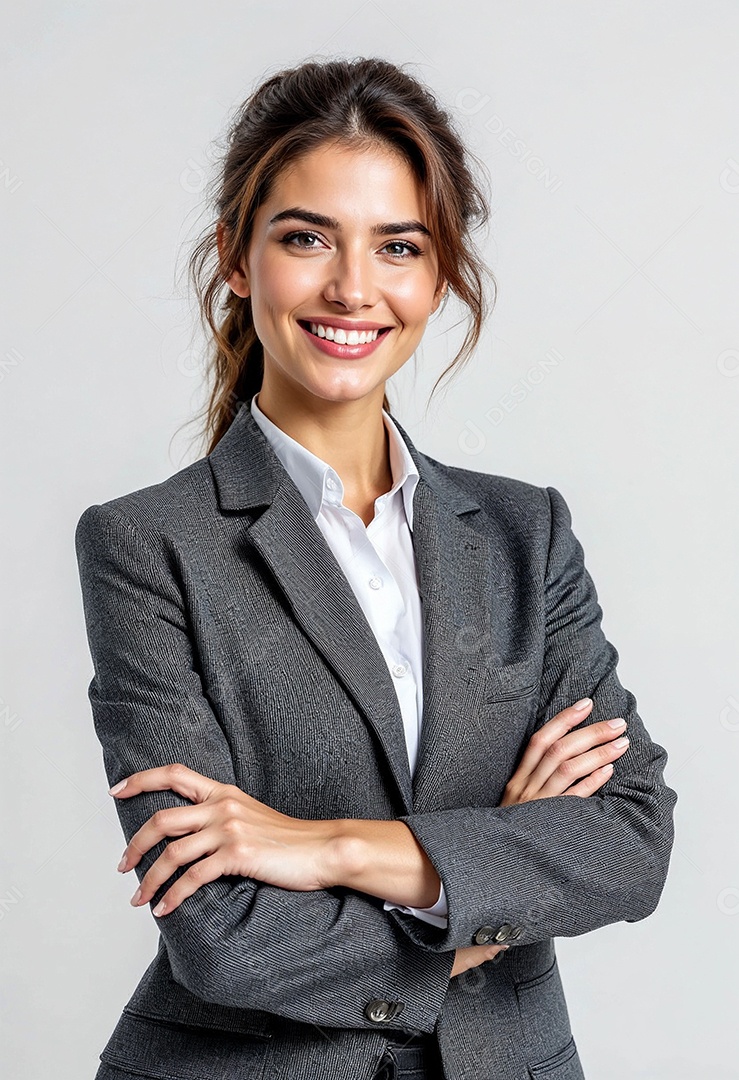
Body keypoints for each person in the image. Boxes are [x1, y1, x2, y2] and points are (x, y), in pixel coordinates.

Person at [75, 57, 677, 1080]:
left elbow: (627, 841)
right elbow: (225, 938)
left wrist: (333, 848)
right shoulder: (148, 545)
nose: (352, 287)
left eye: (398, 246)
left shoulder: (524, 533)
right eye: (305, 238)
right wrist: (496, 863)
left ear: (439, 275)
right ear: (235, 258)